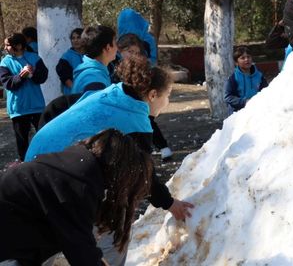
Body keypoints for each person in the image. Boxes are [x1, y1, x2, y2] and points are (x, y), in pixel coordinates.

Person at [26, 55, 193, 227]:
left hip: (34, 160)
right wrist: (170, 203)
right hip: (53, 179)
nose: (167, 102)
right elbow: (143, 174)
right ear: (152, 95)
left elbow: (58, 105)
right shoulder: (135, 122)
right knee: (110, 228)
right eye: (167, 96)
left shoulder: (110, 94)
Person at [0, 129, 153, 266]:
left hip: (18, 233)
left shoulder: (77, 164)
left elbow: (80, 242)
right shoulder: (81, 184)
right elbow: (80, 251)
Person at [114, 33, 173, 160]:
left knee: (149, 124)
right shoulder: (116, 68)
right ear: (120, 51)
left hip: (141, 105)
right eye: (129, 51)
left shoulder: (143, 66)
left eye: (136, 51)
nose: (133, 55)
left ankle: (162, 147)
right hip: (130, 109)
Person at [0, 33, 48, 161]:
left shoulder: (35, 58)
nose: (5, 48)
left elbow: (43, 77)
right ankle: (24, 163)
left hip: (37, 106)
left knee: (43, 136)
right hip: (18, 108)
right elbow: (8, 83)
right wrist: (21, 76)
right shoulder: (5, 62)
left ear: (19, 46)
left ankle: (44, 160)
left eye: (7, 45)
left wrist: (32, 74)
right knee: (22, 141)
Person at [72, 25, 117, 95]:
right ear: (108, 48)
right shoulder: (94, 79)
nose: (117, 48)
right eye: (115, 43)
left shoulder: (94, 72)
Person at [224, 45, 269, 114]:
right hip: (238, 114)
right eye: (242, 58)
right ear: (236, 62)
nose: (247, 60)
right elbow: (228, 97)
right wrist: (245, 102)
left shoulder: (259, 76)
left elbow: (266, 92)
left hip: (258, 111)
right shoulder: (233, 78)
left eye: (248, 57)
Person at [56, 27, 85, 95]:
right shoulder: (66, 57)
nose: (75, 40)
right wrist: (75, 90)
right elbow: (64, 76)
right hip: (73, 95)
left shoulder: (91, 55)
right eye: (73, 38)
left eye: (78, 37)